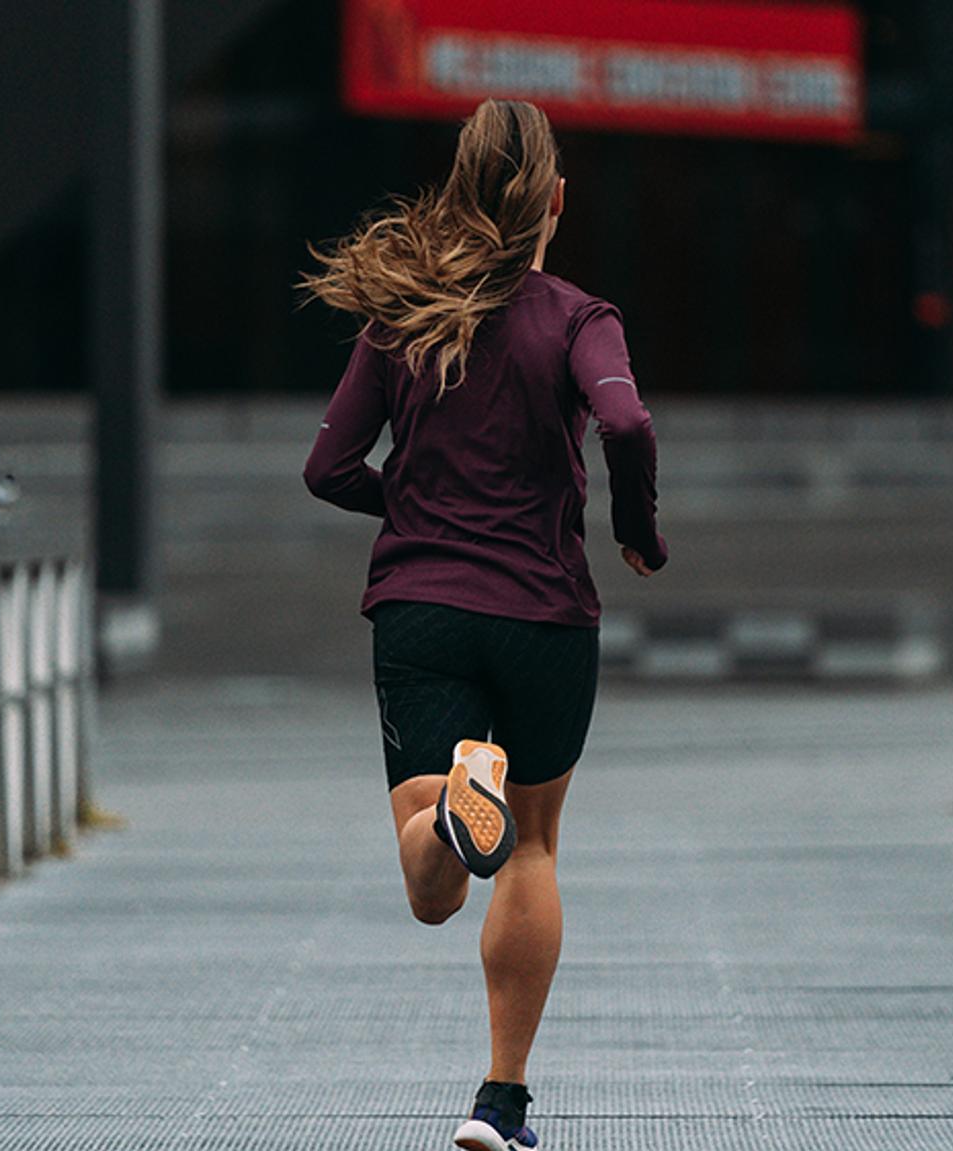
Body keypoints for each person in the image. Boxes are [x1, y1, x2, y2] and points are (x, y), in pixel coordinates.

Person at [300, 98, 667, 1151]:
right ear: (554, 201)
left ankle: (460, 799)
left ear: (458, 189)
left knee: (430, 886)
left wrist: (413, 507)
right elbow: (628, 422)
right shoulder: (579, 317)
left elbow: (325, 467)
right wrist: (634, 528)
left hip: (421, 610)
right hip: (542, 614)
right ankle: (498, 1100)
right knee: (536, 848)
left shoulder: (401, 315)